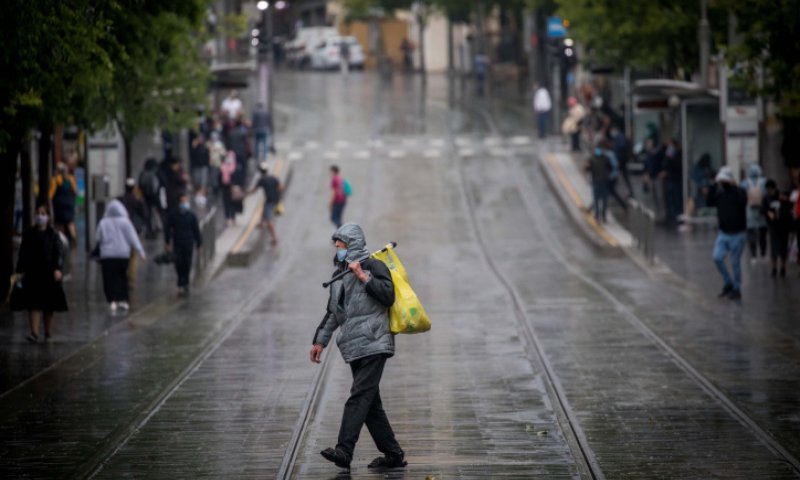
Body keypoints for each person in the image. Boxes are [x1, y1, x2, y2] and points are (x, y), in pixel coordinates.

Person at [310, 223, 406, 471]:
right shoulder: (339, 275)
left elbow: (388, 296)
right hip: (354, 345)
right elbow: (334, 312)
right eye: (336, 246)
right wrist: (320, 341)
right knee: (370, 403)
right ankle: (393, 454)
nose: (338, 249)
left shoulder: (374, 266)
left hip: (375, 342)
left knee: (359, 396)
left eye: (341, 245)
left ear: (352, 245)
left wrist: (363, 276)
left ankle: (344, 450)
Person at [13, 204, 68, 343]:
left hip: (49, 273)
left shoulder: (53, 234)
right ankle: (34, 333)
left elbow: (59, 253)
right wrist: (20, 271)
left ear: (48, 216)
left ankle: (47, 331)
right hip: (33, 273)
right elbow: (23, 253)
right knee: (33, 304)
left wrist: (58, 268)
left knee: (49, 305)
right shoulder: (28, 234)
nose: (40, 216)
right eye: (38, 213)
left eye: (43, 213)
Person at [96, 200, 146, 312]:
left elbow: (98, 237)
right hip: (122, 255)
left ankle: (112, 299)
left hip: (107, 255)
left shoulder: (103, 223)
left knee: (109, 278)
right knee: (121, 277)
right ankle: (122, 299)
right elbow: (133, 238)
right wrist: (141, 251)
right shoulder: (125, 222)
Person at [706, 166, 747, 300]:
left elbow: (743, 200)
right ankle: (728, 282)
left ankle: (736, 288)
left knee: (735, 262)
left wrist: (734, 186)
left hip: (738, 234)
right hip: (723, 233)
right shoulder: (720, 194)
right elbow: (709, 202)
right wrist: (713, 185)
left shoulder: (739, 192)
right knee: (717, 257)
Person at [165, 193, 202, 297]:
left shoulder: (191, 215)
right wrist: (167, 242)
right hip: (178, 243)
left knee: (187, 262)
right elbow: (167, 228)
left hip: (188, 243)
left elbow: (196, 230)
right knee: (178, 263)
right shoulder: (173, 215)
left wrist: (199, 244)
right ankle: (180, 280)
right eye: (183, 201)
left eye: (185, 201)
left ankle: (185, 281)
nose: (184, 203)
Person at [762, 180, 793, 278]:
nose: (770, 191)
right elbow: (763, 209)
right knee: (774, 248)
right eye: (768, 189)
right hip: (773, 226)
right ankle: (774, 268)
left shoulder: (781, 196)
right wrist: (768, 213)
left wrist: (786, 199)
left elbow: (790, 205)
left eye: (771, 189)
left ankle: (783, 268)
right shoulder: (766, 198)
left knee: (783, 248)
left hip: (783, 225)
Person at [740, 164, 768, 263]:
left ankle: (753, 255)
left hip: (749, 210)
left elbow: (742, 196)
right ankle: (763, 254)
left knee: (751, 234)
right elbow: (766, 195)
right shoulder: (764, 182)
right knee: (763, 234)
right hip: (761, 210)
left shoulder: (745, 183)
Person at [248, 162, 282, 245]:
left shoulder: (261, 180)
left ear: (260, 171)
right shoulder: (273, 178)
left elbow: (254, 191)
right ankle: (261, 223)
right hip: (275, 199)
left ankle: (274, 238)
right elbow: (280, 188)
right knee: (264, 208)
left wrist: (245, 194)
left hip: (270, 201)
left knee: (268, 219)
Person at [49, 162, 78, 246]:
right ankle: (73, 241)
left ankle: (61, 242)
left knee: (59, 224)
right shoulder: (71, 179)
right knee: (70, 223)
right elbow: (75, 192)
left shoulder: (55, 179)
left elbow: (50, 195)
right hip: (69, 203)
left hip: (59, 204)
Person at [586, 142, 613, 223]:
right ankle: (597, 216)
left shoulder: (606, 158)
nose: (598, 151)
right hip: (596, 182)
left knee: (604, 201)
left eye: (600, 149)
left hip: (604, 182)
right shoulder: (591, 159)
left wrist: (607, 175)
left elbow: (610, 168)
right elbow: (588, 169)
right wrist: (587, 166)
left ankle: (603, 216)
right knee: (596, 200)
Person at [661, 138, 683, 225]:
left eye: (671, 145)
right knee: (670, 199)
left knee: (677, 199)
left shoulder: (679, 154)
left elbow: (677, 165)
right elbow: (665, 164)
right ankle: (671, 215)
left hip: (676, 179)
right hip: (669, 179)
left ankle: (678, 215)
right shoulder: (668, 154)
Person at [138, 158, 162, 239]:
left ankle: (149, 231)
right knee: (153, 214)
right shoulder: (154, 174)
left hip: (145, 198)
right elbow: (156, 187)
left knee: (148, 216)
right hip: (153, 198)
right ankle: (153, 230)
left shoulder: (142, 174)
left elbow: (140, 186)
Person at [610, 127, 634, 197]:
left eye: (613, 130)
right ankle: (629, 192)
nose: (612, 132)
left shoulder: (620, 136)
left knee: (617, 175)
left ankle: (614, 191)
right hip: (621, 159)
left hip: (621, 160)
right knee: (622, 176)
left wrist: (615, 146)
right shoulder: (618, 137)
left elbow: (621, 146)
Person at [220, 151, 238, 226]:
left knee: (232, 202)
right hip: (225, 187)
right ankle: (228, 217)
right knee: (226, 202)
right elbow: (220, 178)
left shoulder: (234, 167)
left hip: (232, 187)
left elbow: (237, 177)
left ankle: (232, 217)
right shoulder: (223, 167)